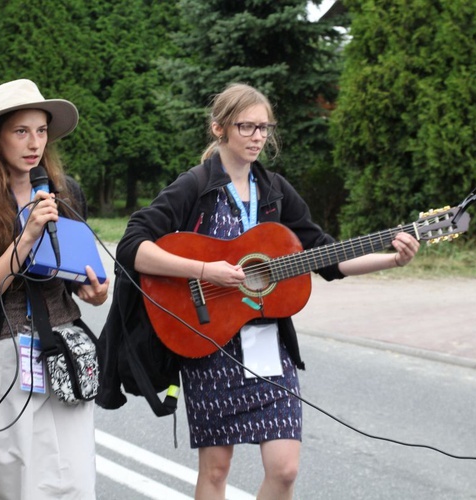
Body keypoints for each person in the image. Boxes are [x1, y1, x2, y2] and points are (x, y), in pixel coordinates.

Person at [115, 82, 420, 500]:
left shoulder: (275, 191)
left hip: (268, 348)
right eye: (247, 127)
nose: (258, 136)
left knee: (286, 470)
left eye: (264, 128)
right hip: (210, 343)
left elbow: (325, 256)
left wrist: (391, 258)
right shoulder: (196, 186)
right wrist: (206, 269)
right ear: (219, 128)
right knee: (217, 469)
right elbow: (133, 246)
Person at [0, 79, 109, 499]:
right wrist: (27, 236)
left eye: (40, 131)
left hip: (64, 348)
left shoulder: (65, 190)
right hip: (2, 355)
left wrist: (92, 291)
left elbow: (74, 273)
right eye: (21, 131)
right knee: (16, 482)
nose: (33, 142)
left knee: (73, 481)